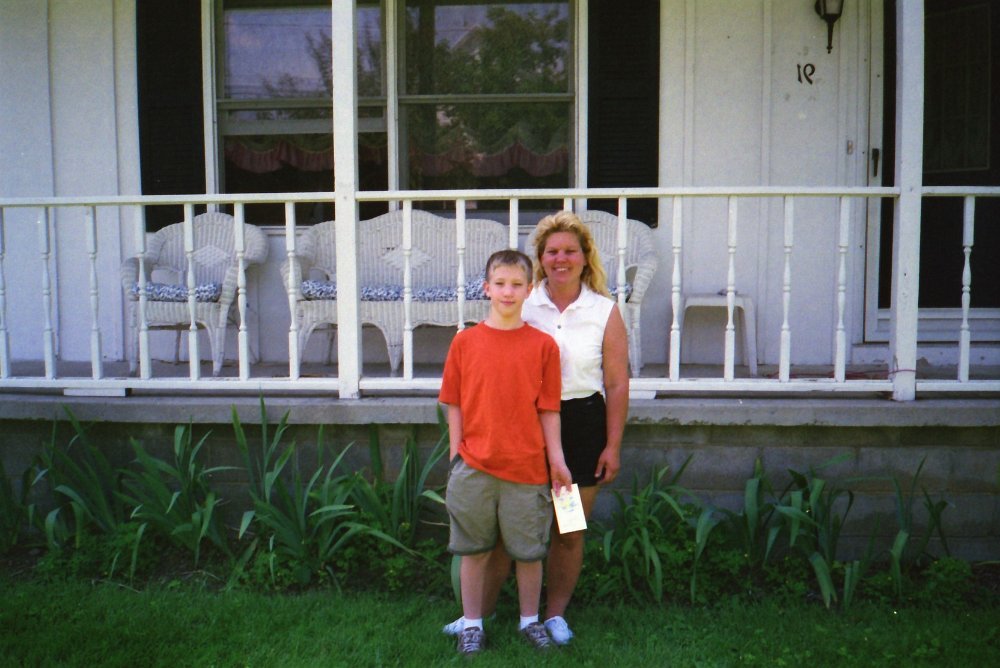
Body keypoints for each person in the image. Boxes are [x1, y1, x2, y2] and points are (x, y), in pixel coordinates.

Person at [443, 210, 629, 645]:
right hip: (521, 427)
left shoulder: (603, 311)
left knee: (568, 528)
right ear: (541, 259)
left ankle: (554, 615)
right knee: (505, 530)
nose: (561, 259)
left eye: (570, 251)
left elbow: (617, 383)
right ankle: (478, 615)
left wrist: (612, 444)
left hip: (578, 427)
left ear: (585, 256)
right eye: (552, 251)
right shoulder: (525, 297)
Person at [439, 248, 573, 656]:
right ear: (487, 288)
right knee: (474, 551)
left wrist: (557, 460)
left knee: (528, 552)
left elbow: (549, 409)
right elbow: (453, 402)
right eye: (500, 283)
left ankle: (529, 621)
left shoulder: (543, 346)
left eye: (517, 284)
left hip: (527, 468)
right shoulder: (465, 342)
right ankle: (472, 624)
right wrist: (456, 455)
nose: (508, 292)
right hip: (474, 465)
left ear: (529, 290)